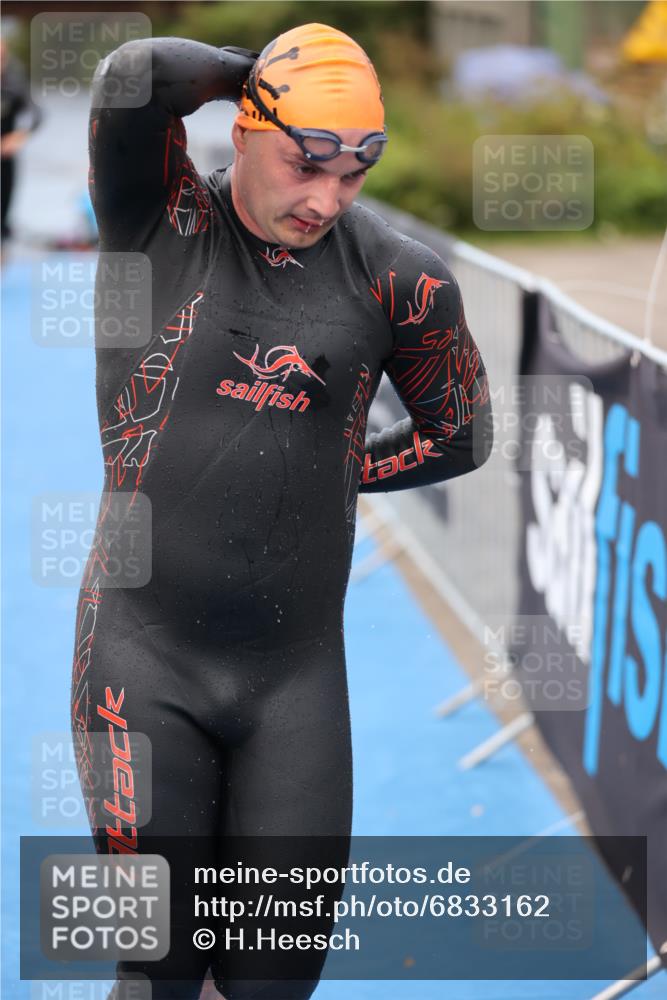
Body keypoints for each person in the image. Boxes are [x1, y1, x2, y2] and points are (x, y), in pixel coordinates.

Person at [71, 23, 492, 1000]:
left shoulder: (401, 279)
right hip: (140, 657)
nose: (324, 200)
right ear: (244, 129)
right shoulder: (156, 221)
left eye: (353, 174)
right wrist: (257, 74)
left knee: (272, 979)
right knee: (154, 963)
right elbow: (135, 76)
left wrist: (336, 470)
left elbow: (459, 434)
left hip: (292, 685)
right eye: (306, 162)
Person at [0, 38, 42, 244]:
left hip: (5, 150)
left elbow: (36, 113)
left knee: (3, 216)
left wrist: (19, 135)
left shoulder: (14, 81)